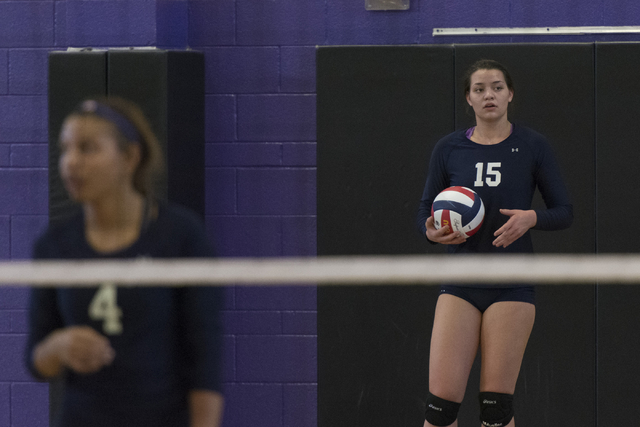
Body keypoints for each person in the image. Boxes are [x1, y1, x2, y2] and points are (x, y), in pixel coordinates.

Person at [25, 97, 224, 427]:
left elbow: (205, 359)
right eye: (65, 149)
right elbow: (36, 362)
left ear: (130, 156)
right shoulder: (55, 245)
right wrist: (57, 347)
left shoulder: (180, 235)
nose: (71, 162)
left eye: (87, 148)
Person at [417, 59, 572, 427]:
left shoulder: (533, 145)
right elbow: (425, 210)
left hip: (511, 284)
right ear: (468, 99)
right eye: (480, 89)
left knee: (495, 410)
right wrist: (430, 231)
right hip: (461, 283)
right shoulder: (448, 149)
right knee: (439, 410)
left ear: (510, 94)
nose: (489, 95)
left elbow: (564, 211)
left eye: (498, 87)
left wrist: (531, 218)